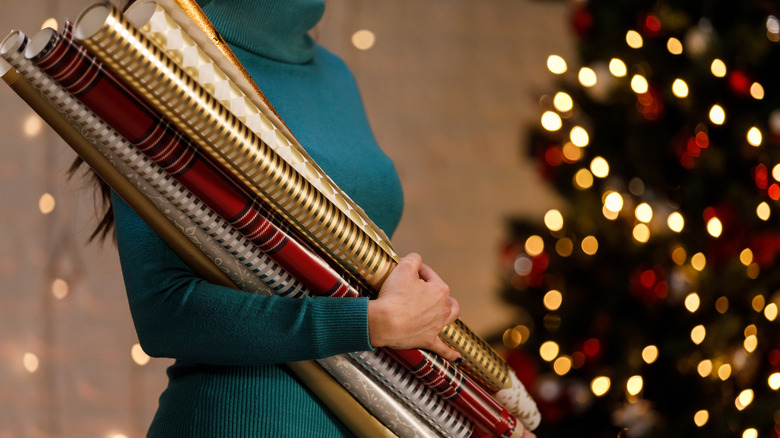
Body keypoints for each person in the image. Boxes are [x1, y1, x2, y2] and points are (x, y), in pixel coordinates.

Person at [85, 0, 462, 435]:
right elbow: (164, 311)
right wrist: (371, 323)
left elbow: (373, 302)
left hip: (367, 414)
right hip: (243, 421)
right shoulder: (160, 52)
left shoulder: (334, 72)